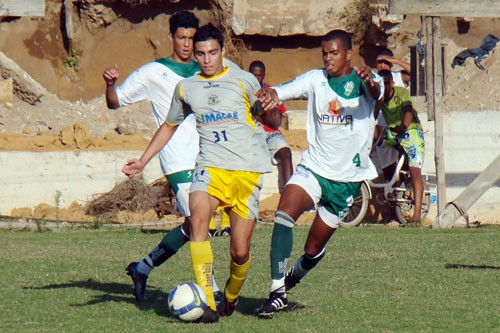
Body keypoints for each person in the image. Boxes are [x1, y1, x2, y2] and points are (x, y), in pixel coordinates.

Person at [122, 23, 278, 323]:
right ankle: (207, 300)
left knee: (240, 252)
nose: (207, 59)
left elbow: (273, 119)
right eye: (201, 54)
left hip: (246, 174)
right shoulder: (187, 87)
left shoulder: (243, 81)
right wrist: (143, 161)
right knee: (197, 220)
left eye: (212, 53)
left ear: (222, 52)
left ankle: (231, 293)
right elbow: (169, 125)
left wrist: (271, 103)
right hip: (209, 168)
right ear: (195, 55)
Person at [255, 29, 383, 318]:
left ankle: (294, 276)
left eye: (334, 53)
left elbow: (377, 94)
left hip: (346, 180)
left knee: (313, 248)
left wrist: (369, 84)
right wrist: (269, 95)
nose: (328, 58)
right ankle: (277, 293)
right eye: (325, 53)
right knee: (284, 211)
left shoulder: (366, 80)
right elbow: (281, 91)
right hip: (314, 168)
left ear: (348, 54)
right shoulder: (315, 79)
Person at [102, 11, 227, 303]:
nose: (187, 44)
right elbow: (115, 102)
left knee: (192, 226)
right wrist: (109, 84)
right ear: (170, 37)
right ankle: (213, 292)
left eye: (192, 38)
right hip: (177, 161)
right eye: (181, 38)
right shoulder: (152, 73)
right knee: (201, 223)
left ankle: (142, 268)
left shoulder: (208, 69)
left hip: (209, 158)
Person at [376, 69, 425, 223]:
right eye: (381, 85)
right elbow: (372, 115)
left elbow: (408, 111)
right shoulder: (380, 98)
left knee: (415, 172)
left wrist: (403, 127)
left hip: (411, 133)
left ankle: (416, 217)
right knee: (378, 139)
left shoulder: (401, 93)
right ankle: (391, 186)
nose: (384, 87)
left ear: (392, 83)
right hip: (396, 134)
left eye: (387, 84)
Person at [249, 60, 293, 190]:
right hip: (251, 133)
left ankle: (289, 194)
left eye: (259, 75)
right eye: (253, 75)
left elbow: (276, 122)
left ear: (264, 75)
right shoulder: (243, 91)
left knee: (286, 153)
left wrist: (260, 116)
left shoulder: (271, 92)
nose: (256, 79)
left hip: (270, 133)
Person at [373, 47, 412, 185]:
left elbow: (417, 73)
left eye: (386, 62)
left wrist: (396, 61)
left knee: (404, 170)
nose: (383, 65)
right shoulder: (374, 79)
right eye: (380, 62)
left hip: (399, 128)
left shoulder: (398, 77)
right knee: (389, 175)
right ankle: (393, 201)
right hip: (382, 130)